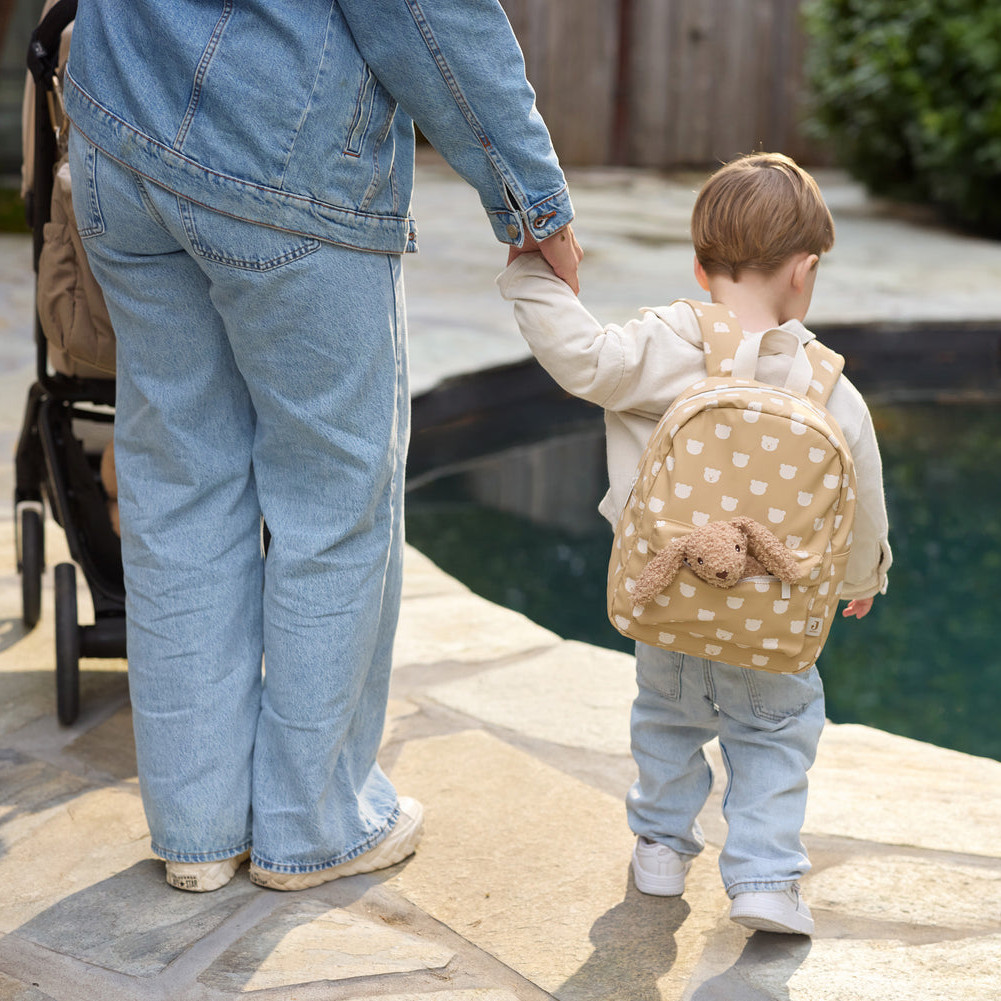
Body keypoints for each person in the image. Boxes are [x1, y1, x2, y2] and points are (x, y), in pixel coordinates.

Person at [62, 0, 582, 893]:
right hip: (279, 152)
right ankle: (311, 827)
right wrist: (530, 200)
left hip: (119, 127)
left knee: (179, 484)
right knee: (334, 501)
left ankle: (195, 834)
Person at [499, 152, 890, 936]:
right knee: (776, 731)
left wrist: (531, 276)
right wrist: (861, 575)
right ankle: (764, 877)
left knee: (667, 718)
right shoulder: (827, 386)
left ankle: (658, 847)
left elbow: (580, 357)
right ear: (803, 272)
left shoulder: (664, 345)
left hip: (665, 589)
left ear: (698, 262)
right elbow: (860, 500)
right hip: (770, 615)